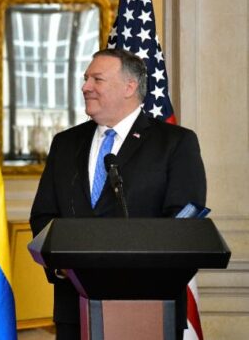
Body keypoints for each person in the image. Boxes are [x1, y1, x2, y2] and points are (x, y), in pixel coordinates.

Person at [29, 48, 206, 340]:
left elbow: (183, 222)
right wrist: (66, 267)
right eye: (86, 79)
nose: (85, 87)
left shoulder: (175, 143)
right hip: (76, 308)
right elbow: (43, 216)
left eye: (96, 79)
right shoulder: (65, 143)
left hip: (149, 308)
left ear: (129, 86)